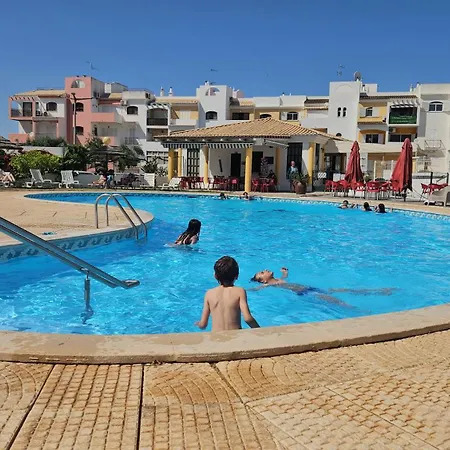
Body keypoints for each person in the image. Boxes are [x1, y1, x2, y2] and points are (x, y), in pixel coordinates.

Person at [250, 268, 396, 306]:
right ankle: (357, 310)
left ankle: (379, 291)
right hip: (306, 293)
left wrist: (285, 273)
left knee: (345, 290)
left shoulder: (278, 280)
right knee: (335, 300)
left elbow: (285, 279)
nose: (265, 270)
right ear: (263, 281)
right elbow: (256, 289)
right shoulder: (269, 285)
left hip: (310, 288)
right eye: (262, 273)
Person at [195, 256, 260, 331]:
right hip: (235, 336)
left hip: (216, 336)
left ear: (215, 276)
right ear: (237, 276)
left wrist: (199, 324)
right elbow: (248, 318)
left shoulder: (209, 294)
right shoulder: (239, 291)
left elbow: (203, 325)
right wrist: (260, 330)